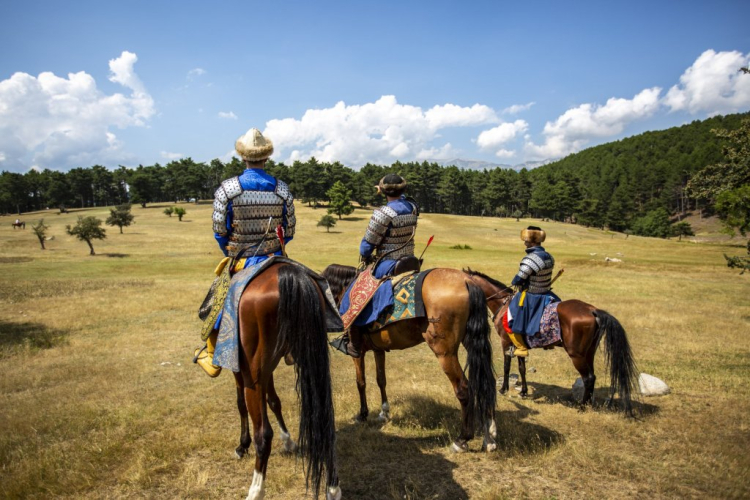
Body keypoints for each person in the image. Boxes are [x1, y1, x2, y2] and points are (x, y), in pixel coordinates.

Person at [194, 128, 296, 377]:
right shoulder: (282, 189)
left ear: (242, 157)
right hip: (275, 257)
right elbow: (290, 230)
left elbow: (219, 231)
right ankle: (294, 344)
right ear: (266, 158)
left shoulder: (227, 190)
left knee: (216, 301)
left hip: (241, 260)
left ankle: (211, 354)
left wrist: (232, 251)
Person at [334, 174, 419, 357]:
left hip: (388, 264)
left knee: (354, 295)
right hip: (411, 261)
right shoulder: (412, 207)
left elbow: (367, 245)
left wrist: (365, 254)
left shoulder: (383, 213)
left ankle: (355, 345)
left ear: (383, 191)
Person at [505, 226, 560, 357]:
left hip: (531, 295)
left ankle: (521, 348)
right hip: (547, 293)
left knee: (508, 318)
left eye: (526, 241)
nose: (524, 243)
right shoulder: (549, 256)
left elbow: (520, 277)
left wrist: (515, 281)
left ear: (532, 241)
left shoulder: (531, 258)